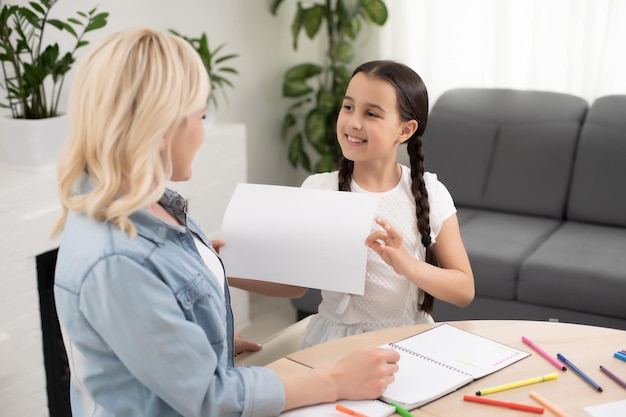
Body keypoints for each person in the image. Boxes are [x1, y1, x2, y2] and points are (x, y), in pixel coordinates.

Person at [51, 28, 400, 417]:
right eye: (200, 115)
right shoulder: (118, 259)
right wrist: (335, 380)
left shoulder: (154, 207)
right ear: (161, 126)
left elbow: (159, 323)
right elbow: (209, 398)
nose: (203, 132)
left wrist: (202, 341)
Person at [300, 60, 475, 348]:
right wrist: (227, 263)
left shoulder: (431, 192)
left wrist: (405, 263)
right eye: (348, 107)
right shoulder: (318, 190)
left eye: (371, 113)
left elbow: (464, 290)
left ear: (405, 131)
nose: (353, 122)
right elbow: (293, 285)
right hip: (334, 345)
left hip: (411, 342)